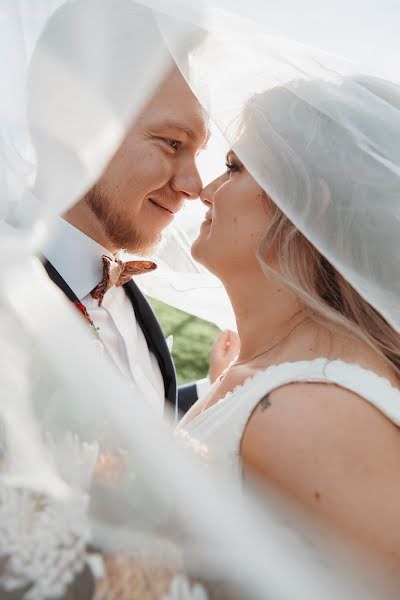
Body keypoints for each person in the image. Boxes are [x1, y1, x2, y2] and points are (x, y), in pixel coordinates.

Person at [178, 76, 400, 571]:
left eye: (233, 169)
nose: (206, 191)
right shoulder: (261, 380)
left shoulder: (315, 411)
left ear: (304, 204)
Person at [32, 0, 239, 417]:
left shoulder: (133, 308)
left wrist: (215, 393)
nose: (194, 185)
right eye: (172, 143)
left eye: (198, 152)